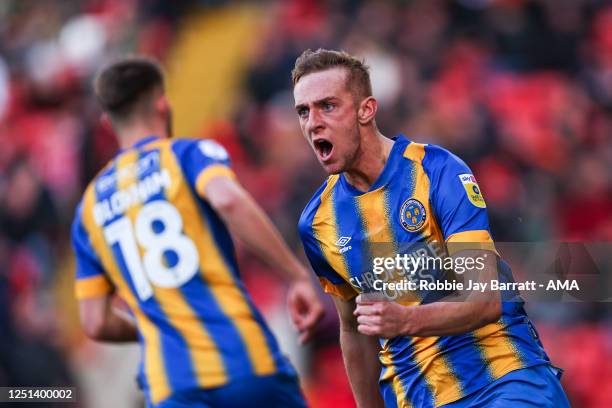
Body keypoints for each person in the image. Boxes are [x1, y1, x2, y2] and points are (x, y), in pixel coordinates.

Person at [293, 49, 569, 407]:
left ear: (366, 109)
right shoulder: (316, 223)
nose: (313, 122)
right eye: (303, 111)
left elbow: (484, 300)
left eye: (327, 106)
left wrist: (405, 319)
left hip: (504, 382)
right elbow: (353, 330)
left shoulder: (438, 172)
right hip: (416, 398)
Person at [72, 55, 323, 408]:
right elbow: (228, 200)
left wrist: (156, 326)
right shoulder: (188, 155)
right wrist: (295, 275)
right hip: (243, 362)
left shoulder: (88, 209)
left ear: (108, 122)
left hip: (170, 385)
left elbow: (95, 322)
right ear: (162, 103)